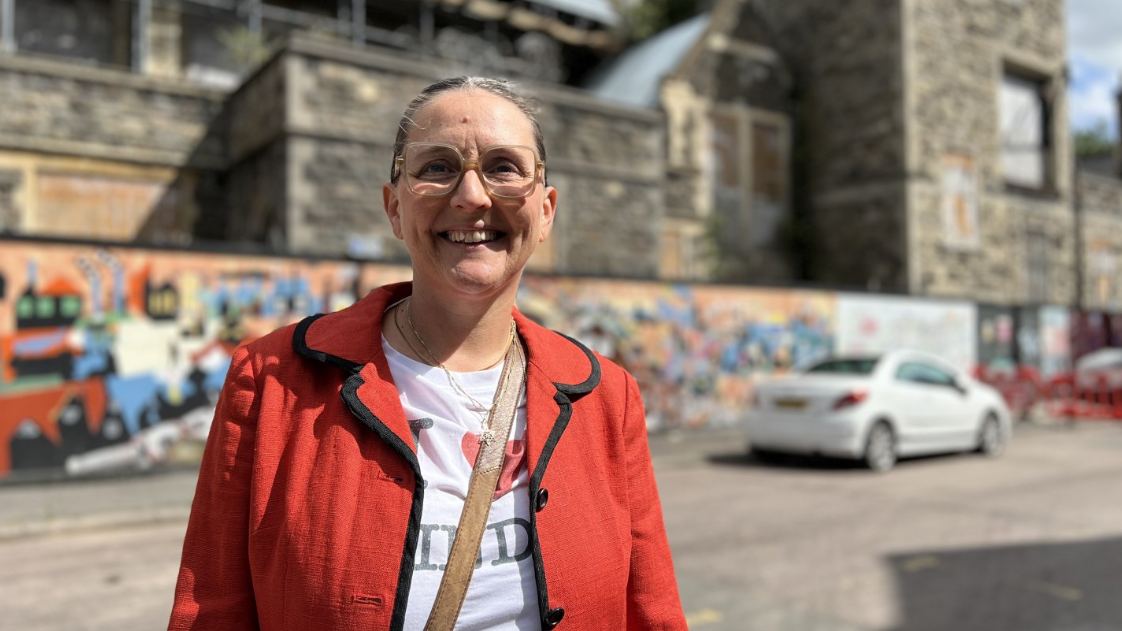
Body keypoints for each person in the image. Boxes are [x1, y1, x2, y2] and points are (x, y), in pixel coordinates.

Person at [168, 76, 688, 631]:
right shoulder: (272, 381)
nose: (471, 196)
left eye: (504, 167)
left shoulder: (607, 397)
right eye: (437, 167)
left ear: (545, 212)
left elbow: (650, 611)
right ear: (394, 209)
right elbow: (211, 610)